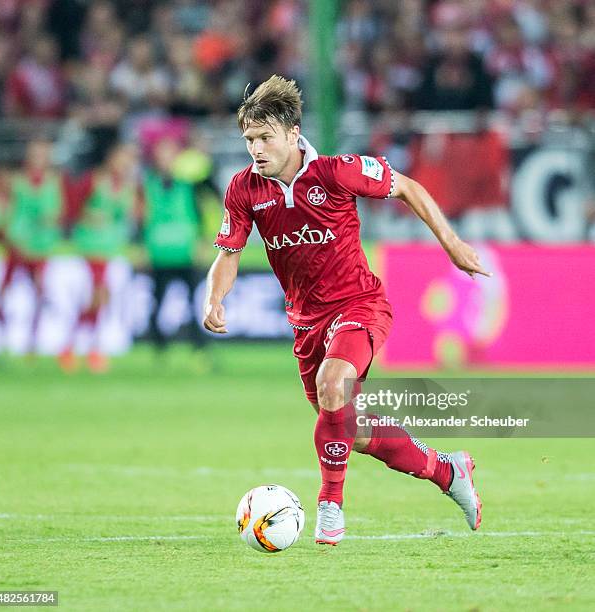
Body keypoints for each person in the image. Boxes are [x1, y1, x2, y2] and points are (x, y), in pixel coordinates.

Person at [203, 76, 490, 546]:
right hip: (306, 323)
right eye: (249, 140)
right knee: (347, 428)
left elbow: (408, 187)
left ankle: (330, 507)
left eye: (265, 138)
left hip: (360, 304)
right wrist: (215, 297)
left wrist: (453, 244)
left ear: (293, 134)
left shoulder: (336, 172)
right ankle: (447, 470)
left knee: (333, 383)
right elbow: (228, 254)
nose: (256, 148)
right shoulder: (244, 189)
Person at [60, 142, 138, 373]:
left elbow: (129, 215)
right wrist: (88, 216)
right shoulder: (94, 180)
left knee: (100, 299)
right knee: (97, 297)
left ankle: (76, 348)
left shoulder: (127, 185)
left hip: (109, 248)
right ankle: (84, 349)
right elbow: (72, 207)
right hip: (90, 247)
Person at [0, 139, 65, 354]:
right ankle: (2, 335)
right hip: (17, 244)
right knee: (3, 294)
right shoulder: (14, 180)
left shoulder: (54, 181)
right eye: (35, 152)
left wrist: (50, 221)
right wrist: (9, 235)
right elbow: (3, 209)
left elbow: (58, 213)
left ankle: (32, 340)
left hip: (40, 246)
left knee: (39, 295)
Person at [142, 137, 208, 360]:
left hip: (184, 252)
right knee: (157, 303)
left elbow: (199, 216)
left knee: (194, 303)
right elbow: (141, 219)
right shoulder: (147, 186)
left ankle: (198, 344)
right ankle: (159, 344)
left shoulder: (188, 185)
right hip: (159, 254)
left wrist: (202, 242)